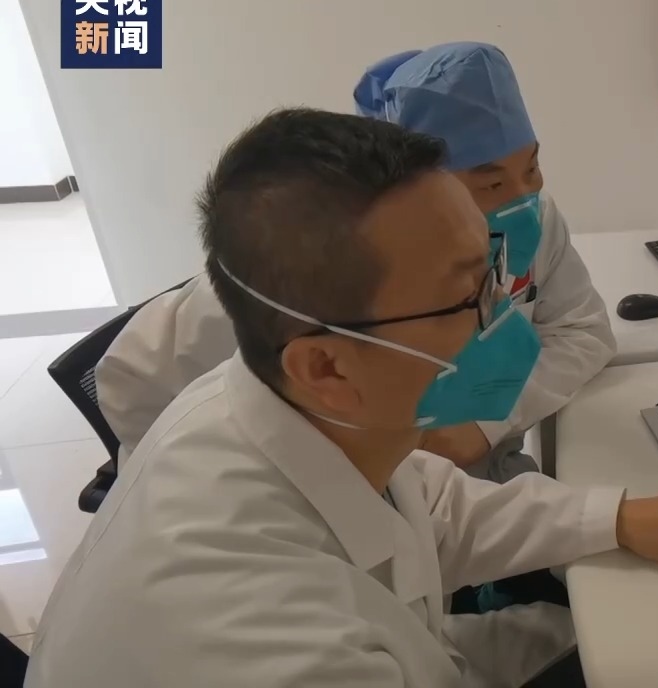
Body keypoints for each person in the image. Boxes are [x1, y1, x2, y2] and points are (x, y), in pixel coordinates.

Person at [26, 109, 658, 687]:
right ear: (326, 366)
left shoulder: (286, 405)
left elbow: (431, 507)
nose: (503, 315)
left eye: (493, 274)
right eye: (468, 296)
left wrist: (615, 516)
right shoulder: (274, 646)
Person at [96, 42, 613, 482]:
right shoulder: (305, 275)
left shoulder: (536, 219)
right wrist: (194, 485)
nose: (524, 199)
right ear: (422, 188)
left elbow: (582, 330)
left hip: (462, 481)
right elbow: (131, 373)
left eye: (532, 168)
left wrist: (484, 427)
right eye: (491, 183)